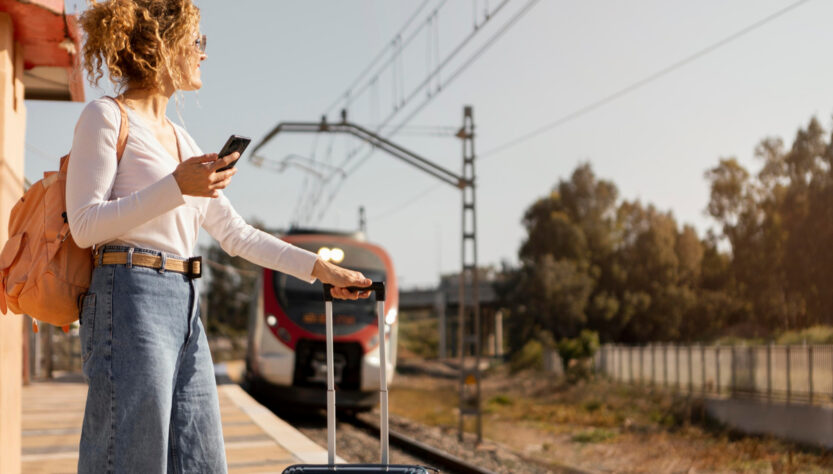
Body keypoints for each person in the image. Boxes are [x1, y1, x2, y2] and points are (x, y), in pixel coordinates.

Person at [68, 1, 370, 472]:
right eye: (196, 41)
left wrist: (319, 269)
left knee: (203, 461)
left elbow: (236, 234)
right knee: (132, 460)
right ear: (162, 45)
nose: (203, 53)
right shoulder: (105, 118)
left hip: (185, 302)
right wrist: (175, 187)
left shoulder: (181, 141)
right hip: (128, 298)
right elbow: (85, 225)